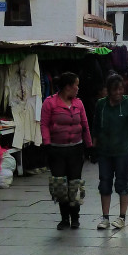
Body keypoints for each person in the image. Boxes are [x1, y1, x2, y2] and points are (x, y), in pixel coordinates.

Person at [40, 72, 92, 230]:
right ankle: (64, 218)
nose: (78, 88)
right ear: (68, 87)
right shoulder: (50, 103)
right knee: (60, 185)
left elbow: (85, 125)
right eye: (76, 85)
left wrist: (89, 145)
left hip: (76, 150)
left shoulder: (79, 104)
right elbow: (44, 124)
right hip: (57, 151)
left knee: (74, 184)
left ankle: (75, 217)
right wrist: (47, 143)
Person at [92, 74, 128, 230]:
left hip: (122, 152)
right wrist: (93, 147)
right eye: (115, 89)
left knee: (122, 183)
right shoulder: (101, 105)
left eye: (121, 89)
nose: (118, 92)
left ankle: (122, 217)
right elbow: (96, 127)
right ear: (109, 90)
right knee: (104, 183)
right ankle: (105, 217)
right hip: (105, 152)